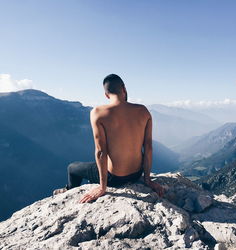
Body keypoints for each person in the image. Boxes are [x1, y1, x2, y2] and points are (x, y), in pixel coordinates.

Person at [53, 74, 165, 203]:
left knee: (72, 168)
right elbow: (148, 147)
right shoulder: (143, 111)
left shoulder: (98, 113)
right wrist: (148, 180)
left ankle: (69, 190)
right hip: (136, 174)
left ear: (106, 95)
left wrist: (102, 187)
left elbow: (101, 152)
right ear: (124, 89)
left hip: (115, 178)